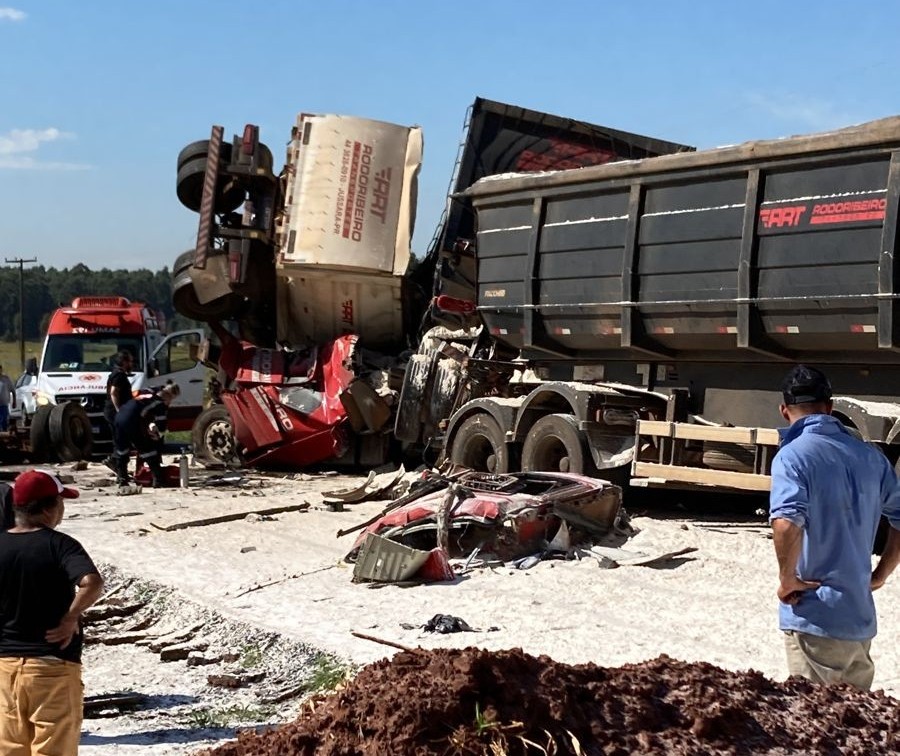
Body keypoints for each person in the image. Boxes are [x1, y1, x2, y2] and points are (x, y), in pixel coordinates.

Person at [770, 364, 900, 689]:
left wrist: (787, 579)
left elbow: (786, 522)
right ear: (830, 407)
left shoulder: (792, 456)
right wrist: (881, 573)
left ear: (784, 411)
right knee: (856, 728)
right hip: (859, 622)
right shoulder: (871, 457)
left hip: (814, 618)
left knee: (812, 727)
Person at [0, 469, 104, 754]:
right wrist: (70, 617)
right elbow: (91, 582)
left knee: (10, 749)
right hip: (51, 667)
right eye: (60, 502)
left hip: (5, 670)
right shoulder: (60, 545)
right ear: (49, 508)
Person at [113, 382, 181, 488]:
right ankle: (158, 480)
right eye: (171, 400)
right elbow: (161, 425)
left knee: (122, 449)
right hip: (132, 419)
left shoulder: (147, 391)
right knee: (147, 449)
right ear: (168, 396)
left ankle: (122, 479)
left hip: (119, 416)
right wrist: (157, 435)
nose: (170, 403)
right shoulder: (159, 403)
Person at [103, 350, 135, 468]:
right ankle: (115, 463)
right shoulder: (119, 375)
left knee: (120, 439)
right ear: (124, 362)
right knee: (121, 440)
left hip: (114, 412)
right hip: (114, 412)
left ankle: (115, 463)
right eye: (130, 361)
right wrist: (119, 411)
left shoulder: (118, 374)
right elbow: (114, 393)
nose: (132, 364)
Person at [0, 364, 15, 432]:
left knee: (4, 420)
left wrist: (14, 401)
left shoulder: (6, 379)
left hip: (4, 404)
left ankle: (4, 433)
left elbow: (13, 390)